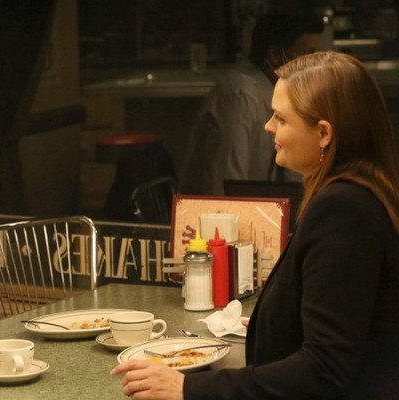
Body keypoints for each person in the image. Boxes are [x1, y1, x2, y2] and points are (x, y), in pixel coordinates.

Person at [112, 51, 399, 399]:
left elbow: (325, 368)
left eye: (281, 117)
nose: (268, 126)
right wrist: (270, 328)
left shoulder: (344, 209)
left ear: (323, 133)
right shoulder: (358, 195)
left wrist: (188, 388)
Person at [179, 12, 324, 196]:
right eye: (307, 54)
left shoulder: (287, 98)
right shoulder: (241, 96)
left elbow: (295, 178)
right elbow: (227, 189)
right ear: (274, 55)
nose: (314, 66)